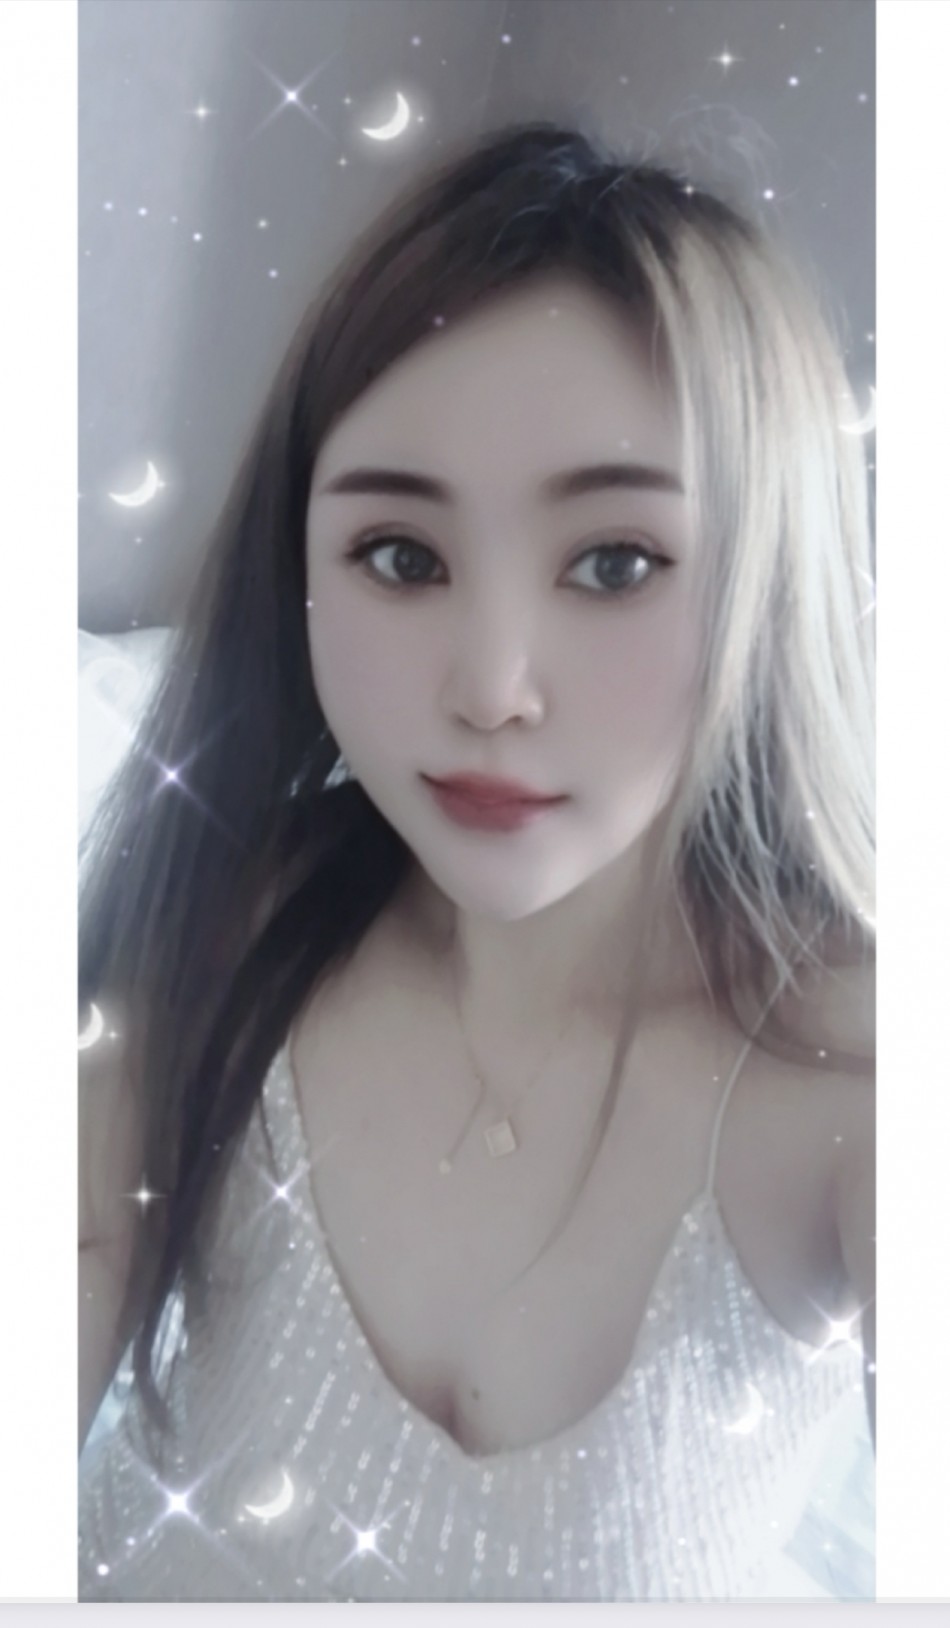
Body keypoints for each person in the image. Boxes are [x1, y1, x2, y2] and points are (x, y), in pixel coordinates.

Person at [77, 120, 875, 1602]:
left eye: (615, 563)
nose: (492, 687)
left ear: (769, 581)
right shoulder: (226, 914)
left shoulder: (858, 1085)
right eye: (401, 556)